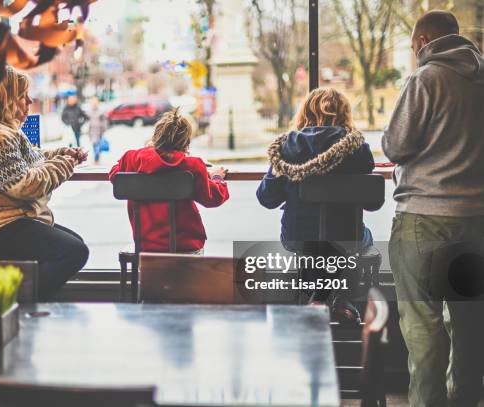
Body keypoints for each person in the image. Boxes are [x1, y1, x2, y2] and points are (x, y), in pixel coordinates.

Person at [382, 10, 484, 407]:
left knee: (423, 329)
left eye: (412, 46)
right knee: (469, 323)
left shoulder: (425, 79)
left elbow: (395, 146)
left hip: (424, 219)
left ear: (423, 41)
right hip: (476, 220)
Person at [0, 66, 90, 300]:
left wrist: (62, 154)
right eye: (22, 96)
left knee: (74, 244)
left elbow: (28, 160)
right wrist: (65, 164)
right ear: (4, 99)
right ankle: (17, 301)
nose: (30, 100)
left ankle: (23, 297)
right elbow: (25, 185)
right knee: (74, 252)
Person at [256, 87, 375, 323]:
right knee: (357, 238)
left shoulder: (286, 148)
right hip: (346, 236)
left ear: (304, 113)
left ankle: (316, 297)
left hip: (297, 235)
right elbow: (371, 203)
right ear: (344, 114)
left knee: (311, 242)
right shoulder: (357, 149)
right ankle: (341, 299)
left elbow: (267, 198)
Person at [109, 108, 229, 253]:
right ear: (185, 142)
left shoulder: (132, 158)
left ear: (156, 135)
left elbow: (115, 174)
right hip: (185, 245)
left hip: (145, 245)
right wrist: (216, 178)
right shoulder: (193, 166)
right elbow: (213, 198)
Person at [87, 96, 108, 165]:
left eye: (95, 102)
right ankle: (96, 159)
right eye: (93, 102)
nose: (94, 103)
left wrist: (103, 129)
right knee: (94, 146)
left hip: (99, 131)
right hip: (91, 132)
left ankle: (96, 159)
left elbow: (104, 121)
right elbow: (87, 121)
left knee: (97, 146)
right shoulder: (89, 112)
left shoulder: (101, 112)